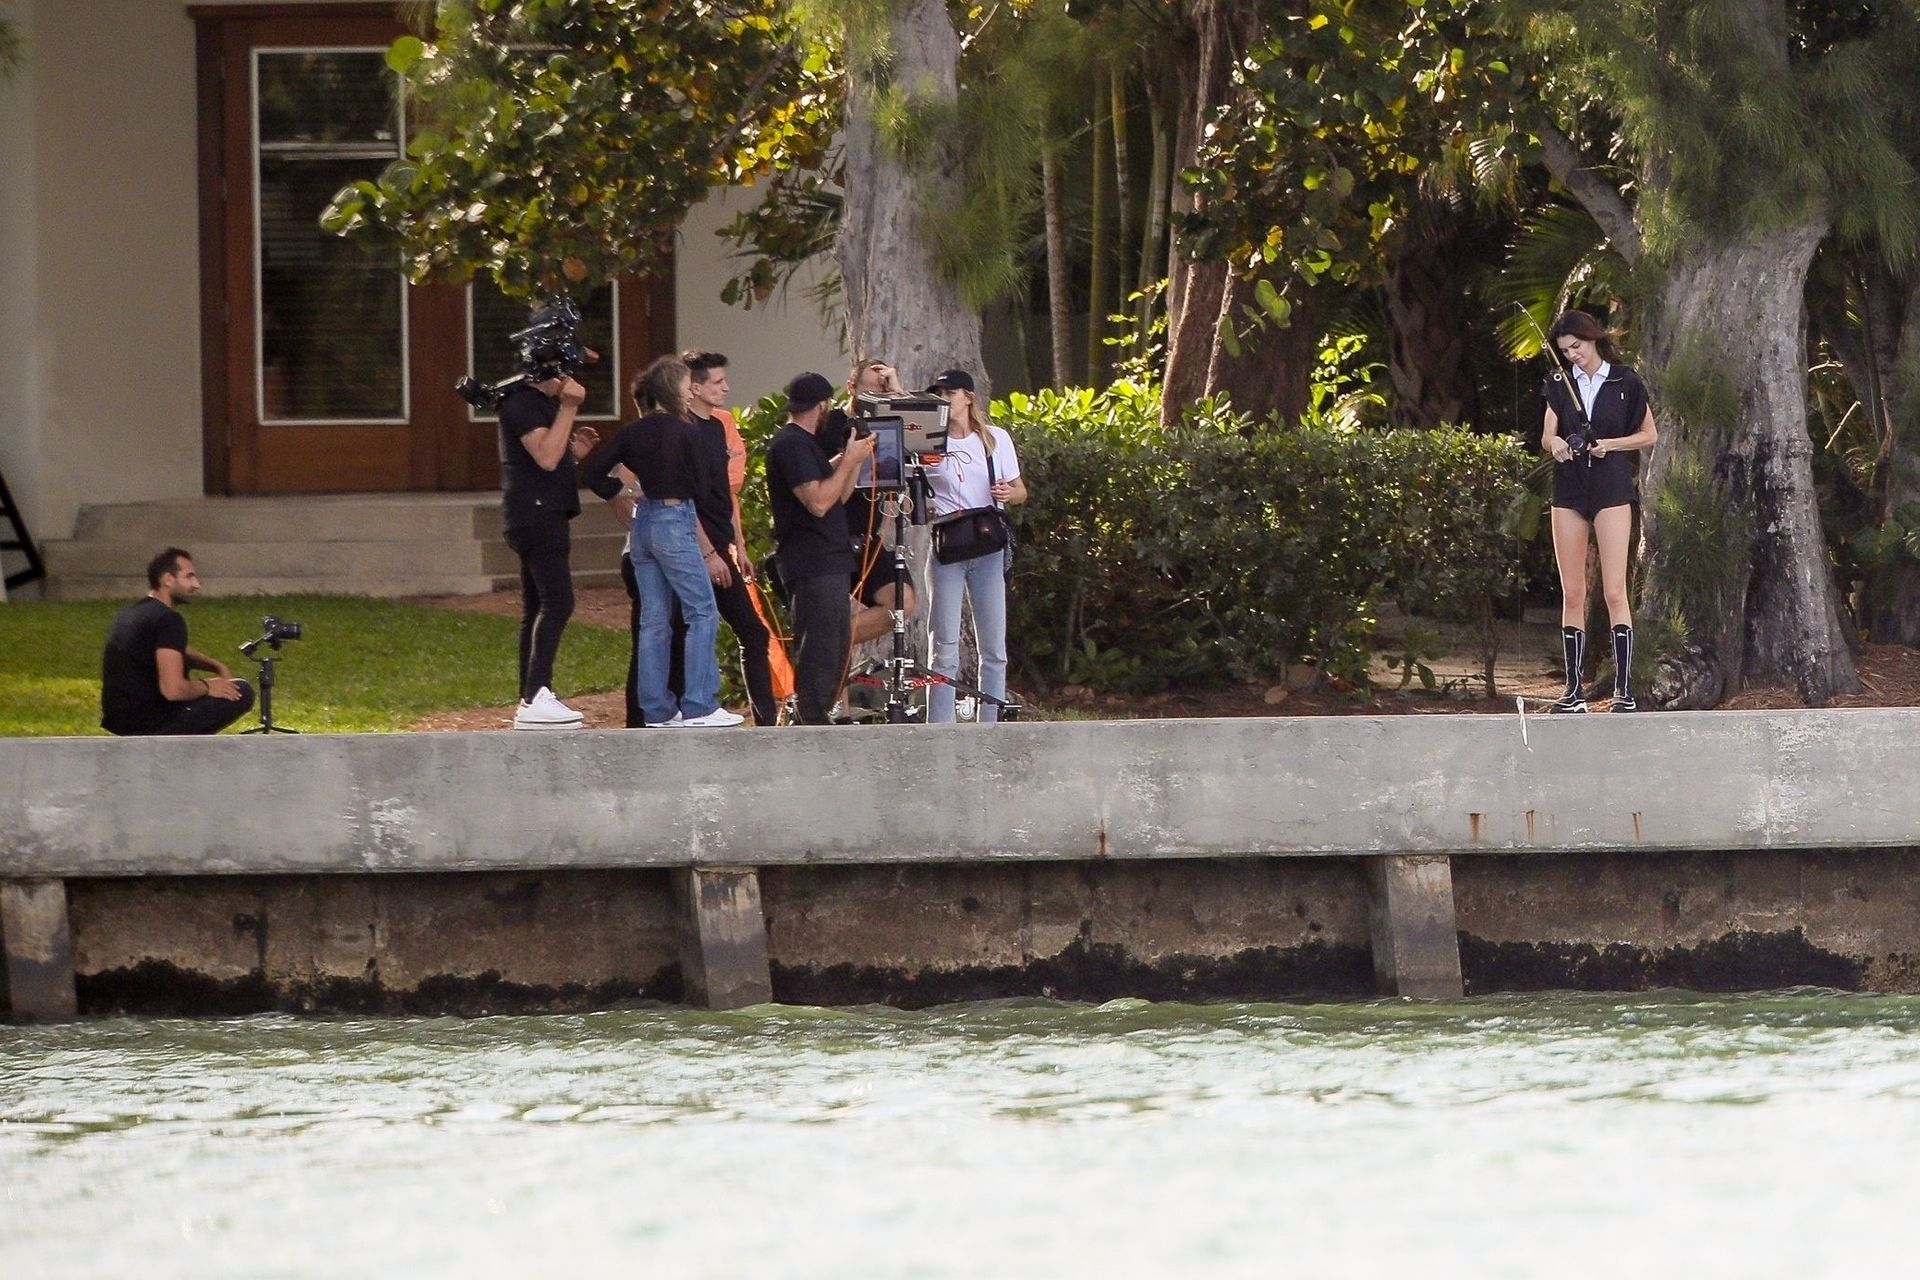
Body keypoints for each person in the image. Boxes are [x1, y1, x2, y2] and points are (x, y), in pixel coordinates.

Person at [581, 356, 743, 728]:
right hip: (675, 519)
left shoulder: (633, 431)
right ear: (674, 390)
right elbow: (703, 485)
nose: (690, 393)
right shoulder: (687, 431)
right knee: (702, 611)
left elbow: (593, 472)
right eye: (686, 386)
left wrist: (624, 490)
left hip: (644, 523)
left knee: (654, 619)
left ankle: (656, 710)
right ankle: (700, 705)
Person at [1541, 310, 1660, 713]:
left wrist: (1610, 444)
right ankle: (1573, 691)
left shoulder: (1624, 381)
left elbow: (1648, 434)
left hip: (1611, 487)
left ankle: (1624, 690)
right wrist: (1557, 445)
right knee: (1573, 592)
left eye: (1577, 346)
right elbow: (1548, 435)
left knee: (1613, 590)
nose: (1572, 355)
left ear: (1592, 339)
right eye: (1565, 350)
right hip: (1569, 489)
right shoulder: (1559, 383)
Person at [664, 351, 778, 726]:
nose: (726, 388)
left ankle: (766, 722)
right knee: (689, 627)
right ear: (694, 388)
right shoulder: (681, 429)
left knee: (753, 632)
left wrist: (738, 546)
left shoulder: (718, 426)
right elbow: (684, 499)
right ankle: (683, 710)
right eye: (717, 382)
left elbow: (727, 493)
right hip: (690, 546)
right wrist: (709, 552)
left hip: (719, 544)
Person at [497, 318, 599, 730]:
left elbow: (551, 459)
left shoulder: (535, 404)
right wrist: (570, 408)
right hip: (537, 516)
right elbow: (544, 456)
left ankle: (531, 695)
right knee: (558, 602)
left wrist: (575, 454)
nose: (570, 380)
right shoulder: (523, 402)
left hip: (538, 511)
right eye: (566, 370)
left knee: (537, 606)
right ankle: (537, 693)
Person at [765, 371, 876, 725]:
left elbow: (838, 495)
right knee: (820, 650)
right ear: (823, 405)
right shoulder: (791, 444)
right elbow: (818, 501)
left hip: (830, 560)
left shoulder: (806, 445)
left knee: (837, 649)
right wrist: (848, 461)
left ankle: (817, 717)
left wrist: (851, 459)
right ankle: (808, 722)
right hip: (812, 562)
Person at [924, 369, 1027, 723]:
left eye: (949, 393)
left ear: (967, 397)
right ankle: (940, 725)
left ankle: (990, 722)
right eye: (939, 394)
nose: (944, 400)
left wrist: (1009, 493)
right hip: (948, 544)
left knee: (994, 647)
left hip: (986, 544)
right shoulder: (931, 443)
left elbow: (1020, 490)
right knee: (943, 646)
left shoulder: (995, 439)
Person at [100, 548, 255, 736]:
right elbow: (173, 691)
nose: (196, 584)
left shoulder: (131, 613)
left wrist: (215, 665)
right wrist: (208, 686)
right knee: (241, 691)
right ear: (168, 579)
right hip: (151, 724)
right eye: (189, 577)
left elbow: (176, 649)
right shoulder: (168, 619)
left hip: (121, 721)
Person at [819, 359, 917, 645]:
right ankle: (824, 649)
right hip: (832, 536)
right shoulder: (830, 424)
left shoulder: (888, 423)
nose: (876, 397)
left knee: (901, 601)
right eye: (870, 390)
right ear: (851, 387)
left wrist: (896, 394)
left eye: (881, 391)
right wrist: (848, 456)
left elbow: (919, 437)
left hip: (866, 539)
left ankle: (830, 644)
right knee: (828, 613)